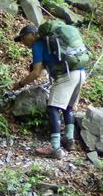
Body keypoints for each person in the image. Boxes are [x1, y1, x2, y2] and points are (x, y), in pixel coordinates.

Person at [12, 24, 86, 159]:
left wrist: (20, 84)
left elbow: (36, 73)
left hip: (67, 74)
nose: (23, 42)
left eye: (23, 38)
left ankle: (55, 148)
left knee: (53, 108)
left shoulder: (38, 44)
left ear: (32, 34)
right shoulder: (50, 42)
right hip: (80, 72)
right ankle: (69, 140)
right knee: (68, 106)